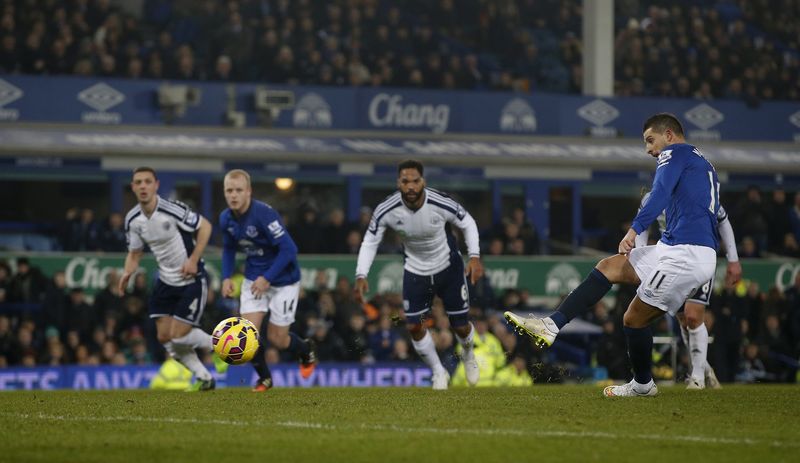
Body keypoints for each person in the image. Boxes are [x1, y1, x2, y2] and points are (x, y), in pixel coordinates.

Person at [506, 113, 720, 397]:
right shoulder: (701, 161)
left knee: (633, 319)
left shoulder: (674, 152)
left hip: (687, 254)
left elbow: (659, 193)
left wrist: (634, 230)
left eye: (650, 140)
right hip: (676, 248)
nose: (648, 149)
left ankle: (643, 385)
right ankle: (551, 324)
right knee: (610, 266)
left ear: (669, 135)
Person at [353, 159, 484, 390]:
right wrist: (361, 274)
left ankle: (468, 353)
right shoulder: (387, 209)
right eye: (405, 181)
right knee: (414, 326)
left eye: (415, 181)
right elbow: (370, 241)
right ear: (398, 183)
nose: (411, 186)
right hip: (416, 271)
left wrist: (474, 256)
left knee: (460, 326)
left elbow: (468, 222)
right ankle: (438, 371)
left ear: (423, 181)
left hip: (448, 268)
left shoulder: (440, 202)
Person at [118, 167, 222, 392]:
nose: (143, 186)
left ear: (156, 185)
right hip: (165, 282)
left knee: (178, 334)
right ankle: (205, 378)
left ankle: (219, 346)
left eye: (147, 181)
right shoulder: (133, 220)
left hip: (191, 279)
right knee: (165, 337)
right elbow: (135, 253)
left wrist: (194, 259)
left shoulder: (171, 210)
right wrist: (127, 272)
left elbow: (205, 227)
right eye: (138, 182)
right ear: (133, 187)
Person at [219, 169, 317, 392]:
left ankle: (305, 348)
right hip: (254, 278)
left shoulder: (264, 214)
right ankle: (265, 378)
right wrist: (226, 277)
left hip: (284, 281)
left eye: (238, 190)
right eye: (229, 190)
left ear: (249, 192)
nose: (233, 195)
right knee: (247, 335)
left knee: (278, 339)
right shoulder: (225, 218)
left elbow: (289, 249)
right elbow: (228, 248)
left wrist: (268, 278)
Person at [635, 193, 742, 389]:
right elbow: (641, 225)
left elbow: (723, 221)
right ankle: (704, 368)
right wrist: (640, 255)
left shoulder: (701, 192)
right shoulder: (654, 197)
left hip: (701, 256)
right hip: (671, 262)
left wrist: (733, 258)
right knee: (683, 320)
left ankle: (697, 377)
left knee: (693, 316)